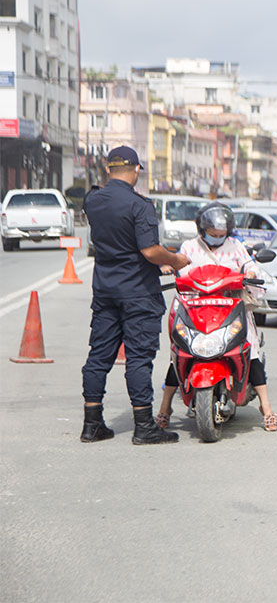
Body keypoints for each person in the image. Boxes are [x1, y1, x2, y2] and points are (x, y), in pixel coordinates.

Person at [80, 146, 190, 445]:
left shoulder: (93, 201)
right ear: (137, 169)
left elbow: (120, 243)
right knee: (139, 359)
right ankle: (144, 427)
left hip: (105, 290)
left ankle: (92, 424)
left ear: (107, 169)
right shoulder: (139, 206)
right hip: (138, 293)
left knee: (98, 357)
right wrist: (176, 260)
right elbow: (149, 251)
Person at [154, 203, 277, 432]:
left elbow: (250, 265)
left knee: (249, 351)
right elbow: (179, 266)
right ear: (202, 230)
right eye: (213, 235)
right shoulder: (190, 247)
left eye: (221, 235)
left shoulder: (236, 247)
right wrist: (170, 268)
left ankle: (267, 408)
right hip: (196, 308)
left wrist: (251, 272)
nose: (217, 239)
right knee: (180, 352)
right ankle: (165, 409)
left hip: (229, 307)